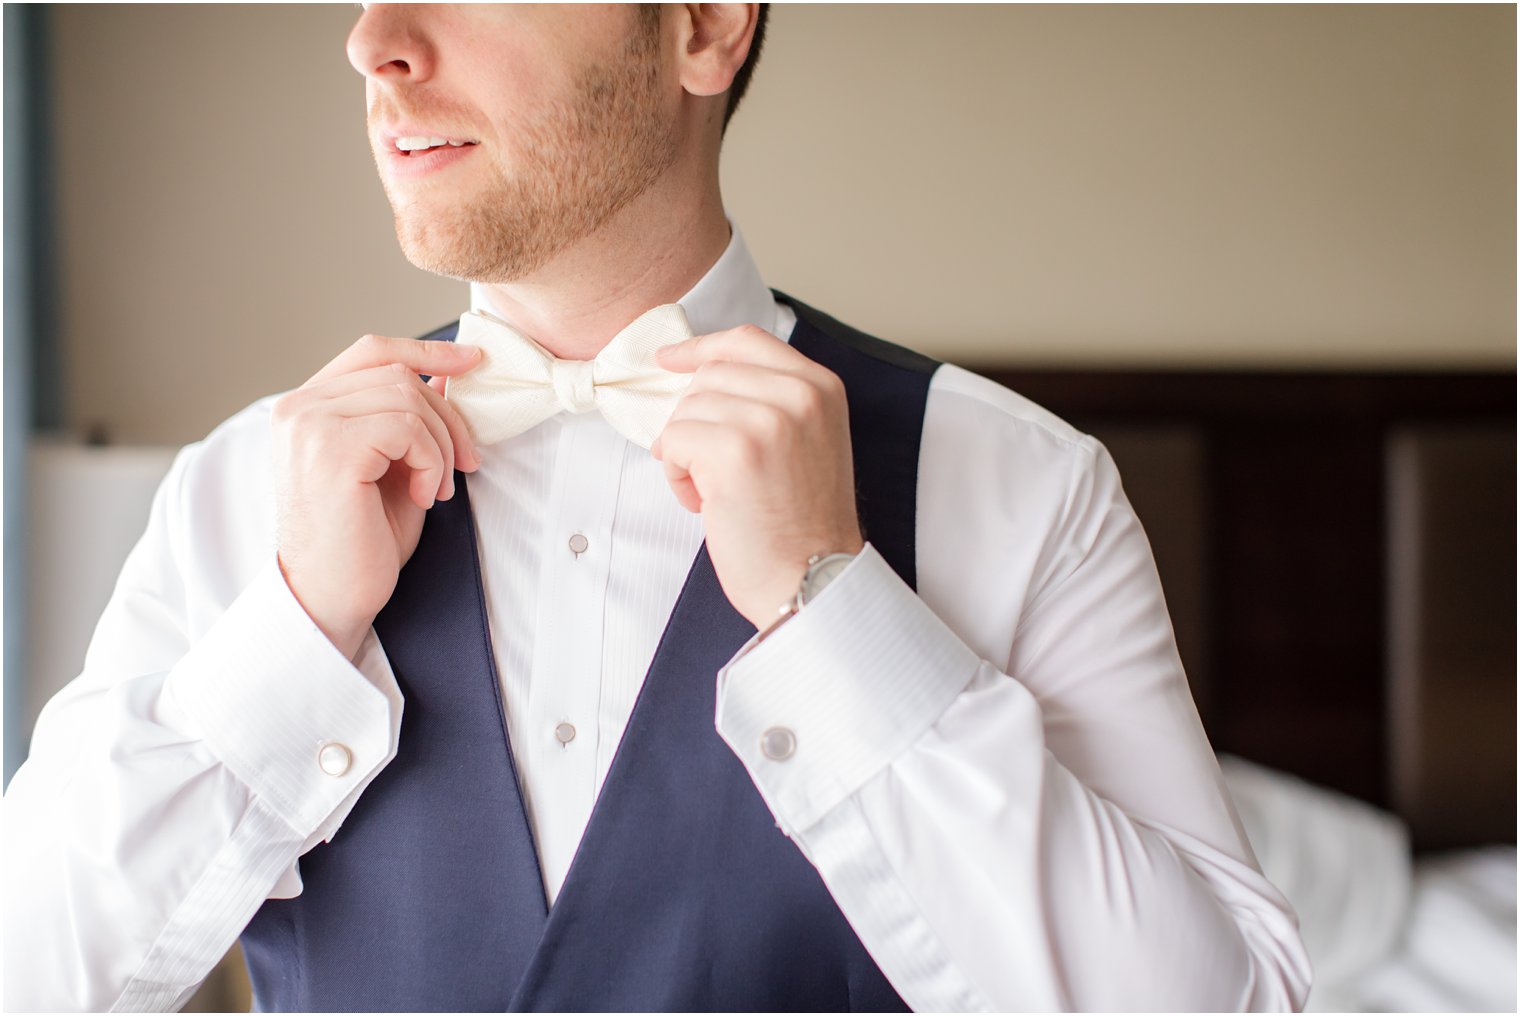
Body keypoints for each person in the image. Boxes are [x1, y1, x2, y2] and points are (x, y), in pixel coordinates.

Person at [4, 5, 1311, 1011]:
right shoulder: (247, 489)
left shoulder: (1017, 485)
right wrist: (292, 635)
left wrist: (837, 615)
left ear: (701, 24)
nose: (374, 42)